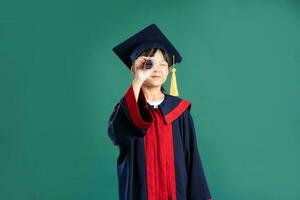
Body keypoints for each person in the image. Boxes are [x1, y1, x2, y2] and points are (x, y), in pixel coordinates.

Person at [108, 24, 212, 200]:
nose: (157, 69)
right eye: (149, 63)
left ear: (169, 70)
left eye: (163, 64)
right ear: (135, 69)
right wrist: (138, 80)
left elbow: (192, 159)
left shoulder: (180, 112)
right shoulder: (127, 110)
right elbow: (117, 135)